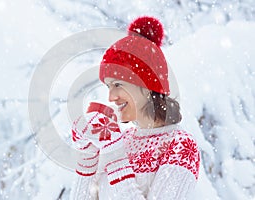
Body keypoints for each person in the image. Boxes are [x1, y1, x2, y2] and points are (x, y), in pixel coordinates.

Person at [70, 16, 200, 200]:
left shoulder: (180, 146)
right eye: (108, 87)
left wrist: (115, 155)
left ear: (147, 86)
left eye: (117, 85)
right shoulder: (121, 140)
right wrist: (88, 153)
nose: (111, 97)